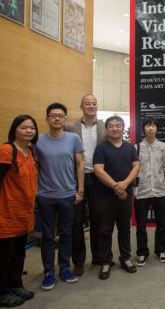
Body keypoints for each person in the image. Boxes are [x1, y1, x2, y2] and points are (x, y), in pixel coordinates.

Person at [0, 115, 39, 307]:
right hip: (5, 212)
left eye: (32, 128)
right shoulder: (6, 151)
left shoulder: (30, 152)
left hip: (23, 212)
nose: (29, 131)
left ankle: (15, 285)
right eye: (24, 127)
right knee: (2, 255)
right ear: (15, 129)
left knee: (18, 252)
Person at [35, 103, 84, 290]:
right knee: (47, 235)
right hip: (45, 196)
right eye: (53, 115)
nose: (57, 118)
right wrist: (35, 192)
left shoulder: (73, 139)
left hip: (68, 195)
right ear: (47, 119)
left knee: (66, 233)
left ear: (65, 119)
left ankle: (64, 268)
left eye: (61, 116)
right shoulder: (38, 141)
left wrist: (80, 191)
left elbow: (80, 165)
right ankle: (48, 271)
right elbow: (36, 167)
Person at [93, 116, 140, 279]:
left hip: (125, 195)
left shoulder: (129, 147)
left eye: (118, 126)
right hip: (105, 196)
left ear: (123, 128)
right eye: (111, 126)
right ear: (106, 129)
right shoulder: (101, 148)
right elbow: (98, 170)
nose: (114, 128)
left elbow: (136, 166)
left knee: (124, 229)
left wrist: (125, 184)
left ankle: (125, 258)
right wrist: (116, 187)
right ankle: (105, 261)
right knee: (105, 230)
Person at [65, 94, 107, 276]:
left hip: (99, 178)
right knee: (77, 221)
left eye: (94, 104)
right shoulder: (70, 128)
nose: (91, 106)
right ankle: (79, 260)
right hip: (77, 179)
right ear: (81, 106)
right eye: (87, 104)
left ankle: (98, 256)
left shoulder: (105, 127)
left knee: (99, 219)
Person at [134, 118, 165, 266]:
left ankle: (160, 250)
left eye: (153, 126)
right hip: (142, 190)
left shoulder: (163, 146)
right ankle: (142, 252)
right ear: (143, 129)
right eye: (148, 126)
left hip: (159, 190)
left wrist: (157, 178)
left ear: (157, 129)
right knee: (141, 225)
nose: (150, 128)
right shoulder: (136, 147)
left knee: (161, 223)